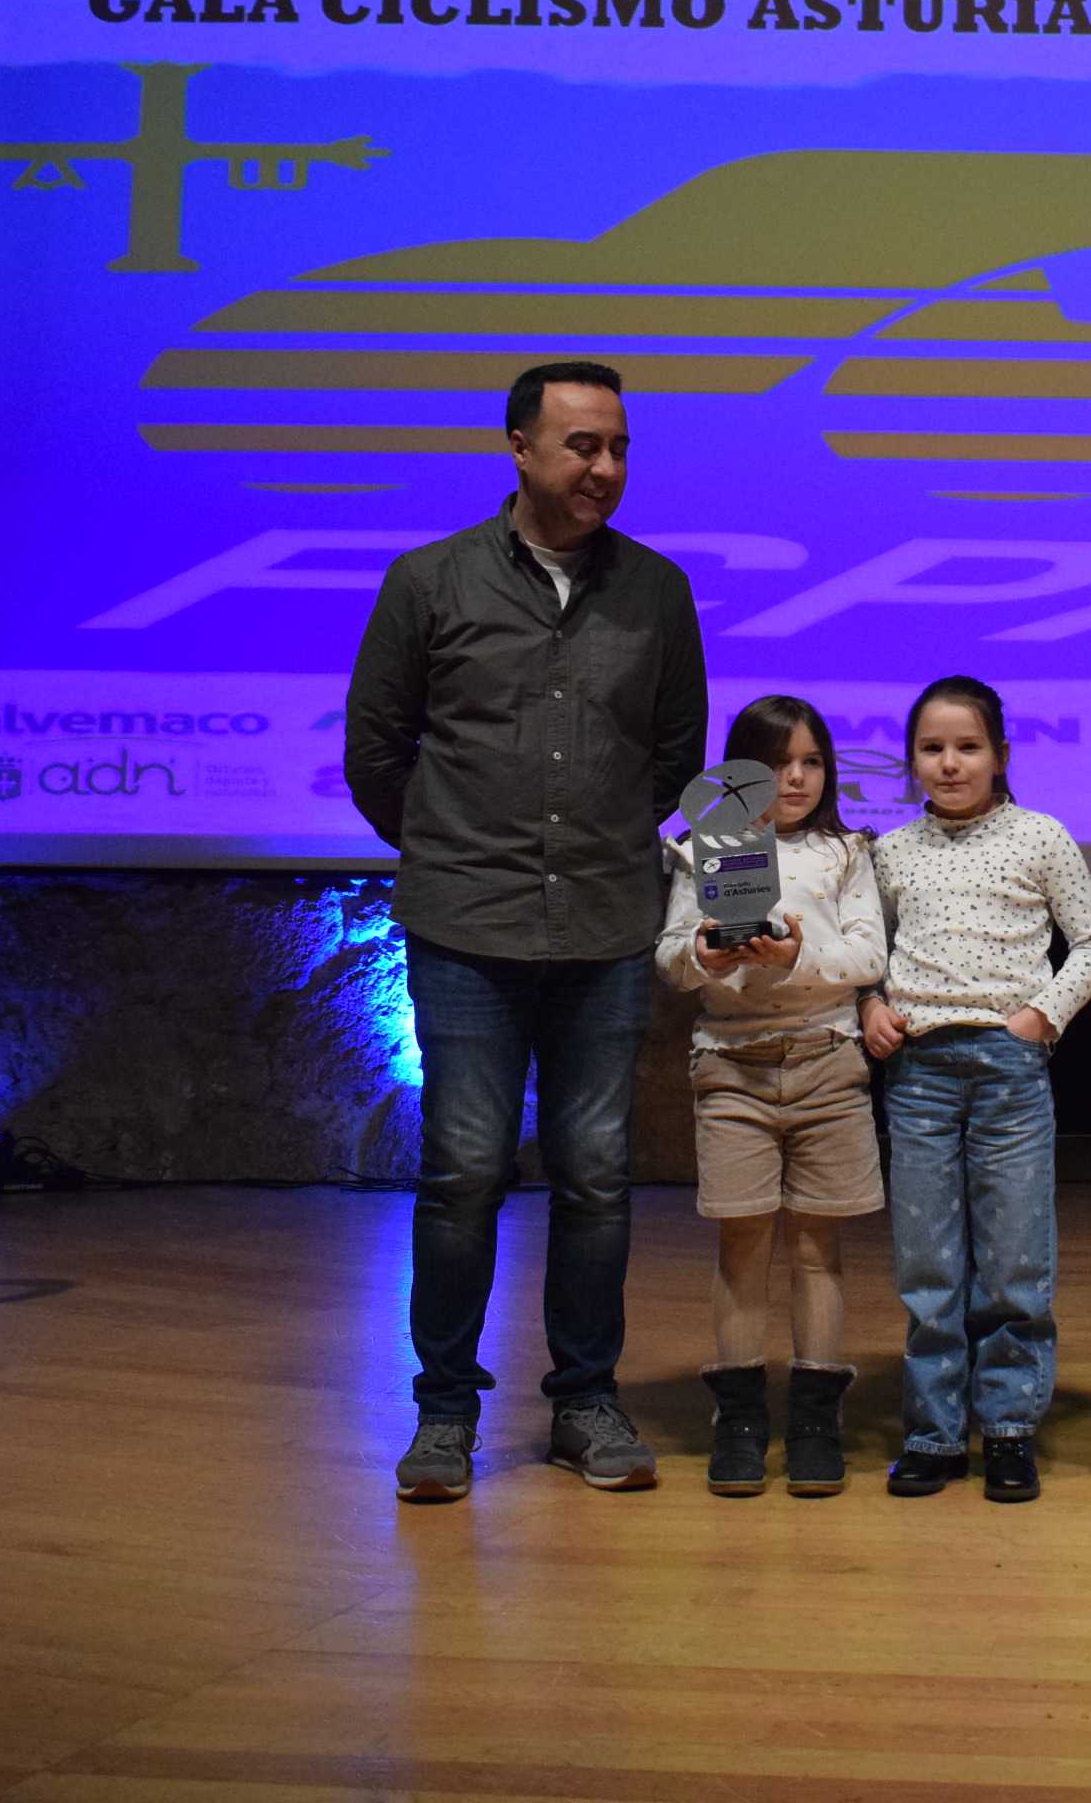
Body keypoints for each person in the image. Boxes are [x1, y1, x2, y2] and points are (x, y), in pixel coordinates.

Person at [346, 359, 706, 1505]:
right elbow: (377, 751)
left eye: (617, 447)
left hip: (603, 923)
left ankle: (586, 1401)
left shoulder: (657, 590)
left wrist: (593, 840)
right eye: (579, 446)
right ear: (517, 446)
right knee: (461, 1170)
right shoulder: (430, 580)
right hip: (466, 924)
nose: (603, 468)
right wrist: (461, 846)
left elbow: (678, 757)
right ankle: (445, 1411)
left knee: (597, 1176)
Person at [862, 675, 1091, 1502]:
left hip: (1009, 1069)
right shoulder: (892, 852)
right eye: (932, 749)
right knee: (929, 1260)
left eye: (967, 747)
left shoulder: (1041, 836)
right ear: (911, 763)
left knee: (1013, 1259)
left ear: (1001, 756)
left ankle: (1008, 1426)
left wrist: (1042, 1015)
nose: (949, 763)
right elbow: (870, 954)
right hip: (920, 1073)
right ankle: (935, 1432)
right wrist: (871, 1005)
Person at [655, 695, 883, 1498]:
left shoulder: (848, 851)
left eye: (812, 761)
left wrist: (793, 954)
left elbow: (866, 956)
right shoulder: (702, 848)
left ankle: (818, 1417)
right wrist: (707, 960)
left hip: (829, 1063)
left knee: (820, 1246)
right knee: (743, 1243)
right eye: (778, 762)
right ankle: (741, 1416)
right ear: (739, 769)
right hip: (733, 1067)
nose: (796, 777)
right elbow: (672, 958)